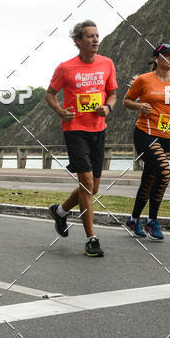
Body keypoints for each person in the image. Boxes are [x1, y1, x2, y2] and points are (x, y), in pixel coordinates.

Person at [46, 20, 117, 257]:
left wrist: (108, 108)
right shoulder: (66, 68)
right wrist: (60, 111)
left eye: (97, 36)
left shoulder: (107, 64)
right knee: (86, 182)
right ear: (78, 41)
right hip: (74, 129)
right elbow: (50, 94)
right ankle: (91, 240)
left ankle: (60, 212)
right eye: (90, 36)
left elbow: (113, 94)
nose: (95, 40)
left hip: (98, 129)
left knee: (92, 187)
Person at [123, 44, 170, 240]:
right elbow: (126, 101)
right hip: (145, 133)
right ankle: (152, 220)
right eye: (166, 55)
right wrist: (139, 106)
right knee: (165, 172)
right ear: (156, 58)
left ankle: (134, 219)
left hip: (166, 135)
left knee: (150, 178)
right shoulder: (143, 79)